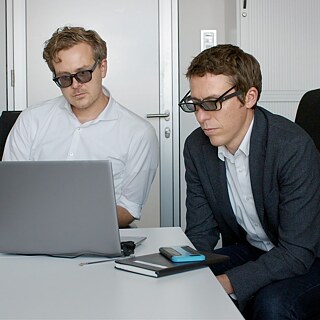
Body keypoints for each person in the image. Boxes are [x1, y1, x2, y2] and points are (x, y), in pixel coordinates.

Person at [179, 44, 320, 319]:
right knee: (185, 284)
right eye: (195, 104)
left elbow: (297, 251)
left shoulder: (291, 147)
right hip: (254, 248)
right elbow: (200, 233)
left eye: (212, 103)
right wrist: (181, 271)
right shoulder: (196, 147)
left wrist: (225, 284)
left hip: (309, 256)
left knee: (272, 304)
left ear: (249, 97)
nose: (201, 116)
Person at [2, 26, 159, 228]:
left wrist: (72, 225)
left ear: (102, 67)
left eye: (83, 73)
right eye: (64, 78)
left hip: (100, 232)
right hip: (35, 229)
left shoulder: (139, 133)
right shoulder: (31, 120)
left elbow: (129, 209)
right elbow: (10, 189)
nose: (76, 85)